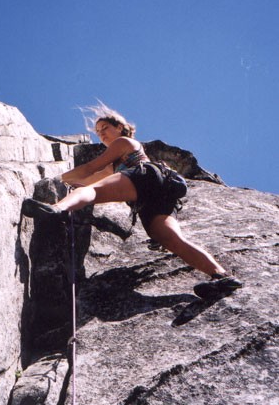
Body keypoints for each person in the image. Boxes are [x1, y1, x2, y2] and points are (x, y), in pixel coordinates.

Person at [22, 102, 242, 299]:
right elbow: (91, 179)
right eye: (98, 132)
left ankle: (56, 209)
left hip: (145, 177)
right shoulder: (115, 165)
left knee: (94, 192)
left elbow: (90, 171)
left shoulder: (125, 143)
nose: (102, 135)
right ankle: (220, 276)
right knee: (170, 238)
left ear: (119, 127)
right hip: (158, 194)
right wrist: (78, 184)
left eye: (105, 128)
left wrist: (55, 178)